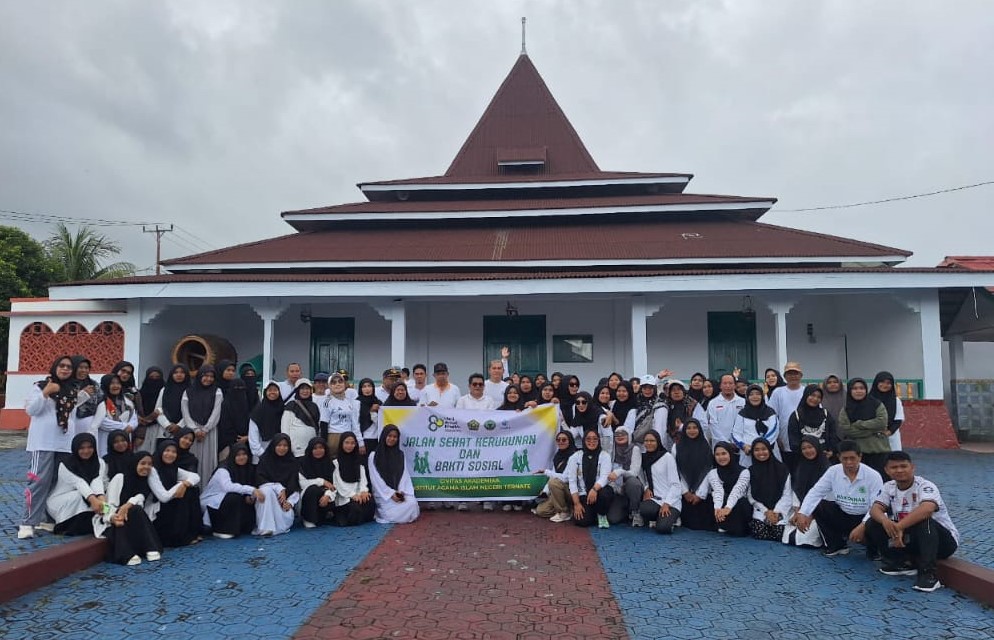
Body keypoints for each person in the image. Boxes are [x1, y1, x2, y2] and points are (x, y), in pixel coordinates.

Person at [866, 451, 960, 592]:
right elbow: (875, 509)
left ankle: (929, 576)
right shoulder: (889, 487)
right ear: (886, 470)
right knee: (874, 522)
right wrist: (885, 521)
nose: (899, 470)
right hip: (912, 538)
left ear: (912, 467)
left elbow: (927, 509)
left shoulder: (925, 486)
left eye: (903, 466)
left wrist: (898, 526)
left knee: (925, 520)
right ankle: (899, 563)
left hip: (942, 542)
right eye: (894, 467)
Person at [19, 356, 79, 539]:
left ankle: (47, 518)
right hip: (43, 443)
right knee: (39, 482)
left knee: (57, 483)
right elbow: (31, 410)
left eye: (69, 367)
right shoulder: (39, 385)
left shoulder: (72, 390)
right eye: (62, 366)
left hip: (64, 443)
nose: (65, 369)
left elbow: (72, 418)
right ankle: (27, 522)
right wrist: (46, 393)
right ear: (55, 367)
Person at [793, 440, 882, 557]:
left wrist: (863, 526)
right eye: (845, 458)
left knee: (877, 520)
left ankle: (874, 550)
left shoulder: (873, 476)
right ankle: (837, 545)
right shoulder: (833, 471)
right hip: (844, 514)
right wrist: (803, 513)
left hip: (865, 518)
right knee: (820, 505)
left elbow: (876, 505)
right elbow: (816, 492)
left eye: (852, 458)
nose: (849, 462)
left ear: (860, 457)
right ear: (839, 457)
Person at [98, 451, 163, 565]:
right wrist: (113, 517)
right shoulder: (120, 478)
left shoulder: (145, 482)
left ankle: (150, 547)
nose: (146, 467)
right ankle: (125, 554)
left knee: (136, 509)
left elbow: (140, 497)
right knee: (127, 513)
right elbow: (108, 504)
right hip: (112, 518)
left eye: (149, 464)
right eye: (143, 463)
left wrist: (127, 506)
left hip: (133, 520)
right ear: (135, 464)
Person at [46, 433, 107, 536]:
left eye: (90, 447)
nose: (86, 451)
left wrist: (102, 500)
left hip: (85, 497)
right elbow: (79, 483)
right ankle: (64, 526)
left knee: (103, 498)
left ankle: (99, 520)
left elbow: (97, 480)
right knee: (80, 496)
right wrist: (94, 500)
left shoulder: (99, 462)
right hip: (59, 501)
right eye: (82, 448)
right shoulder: (65, 464)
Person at [200, 442, 261, 539]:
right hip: (215, 502)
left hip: (234, 502)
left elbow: (248, 485)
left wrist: (249, 497)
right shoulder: (223, 469)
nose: (242, 457)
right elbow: (228, 487)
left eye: (244, 454)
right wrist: (252, 490)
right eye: (238, 455)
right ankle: (221, 529)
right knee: (234, 496)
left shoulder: (248, 468)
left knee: (248, 526)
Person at [148, 440, 202, 547]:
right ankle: (174, 537)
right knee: (184, 494)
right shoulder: (153, 470)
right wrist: (180, 485)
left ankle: (187, 533)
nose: (170, 454)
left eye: (174, 452)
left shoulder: (173, 468)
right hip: (156, 508)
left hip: (168, 505)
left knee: (192, 491)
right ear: (160, 451)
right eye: (167, 451)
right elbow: (163, 497)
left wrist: (185, 484)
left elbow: (196, 477)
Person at [839, 378, 890, 477]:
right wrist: (872, 431)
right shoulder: (846, 409)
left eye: (861, 388)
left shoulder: (877, 404)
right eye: (854, 388)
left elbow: (882, 422)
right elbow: (847, 430)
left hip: (879, 451)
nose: (858, 391)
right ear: (850, 391)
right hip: (857, 455)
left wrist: (859, 424)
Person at [368, 424, 419, 524]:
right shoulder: (374, 456)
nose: (392, 439)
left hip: (398, 492)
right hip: (384, 495)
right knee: (395, 513)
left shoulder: (400, 455)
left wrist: (401, 492)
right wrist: (391, 494)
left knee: (412, 504)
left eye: (395, 437)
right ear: (384, 436)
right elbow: (376, 480)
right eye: (389, 436)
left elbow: (404, 475)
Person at [181, 365, 223, 484]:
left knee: (208, 462)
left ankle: (206, 490)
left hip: (209, 432)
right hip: (192, 432)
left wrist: (205, 429)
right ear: (200, 376)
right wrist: (194, 429)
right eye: (205, 375)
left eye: (211, 376)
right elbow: (185, 412)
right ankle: (193, 489)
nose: (208, 379)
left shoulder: (217, 391)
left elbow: (216, 412)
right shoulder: (188, 392)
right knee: (193, 460)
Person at [673, 419, 715, 531]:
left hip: (703, 494)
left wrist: (700, 494)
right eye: (688, 428)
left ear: (700, 429)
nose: (692, 431)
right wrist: (685, 492)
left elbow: (708, 470)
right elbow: (676, 471)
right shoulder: (676, 447)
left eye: (695, 428)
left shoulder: (706, 447)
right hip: (684, 494)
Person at [254, 434, 301, 536]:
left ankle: (271, 527)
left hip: (283, 507)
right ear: (273, 446)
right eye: (279, 445)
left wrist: (290, 503)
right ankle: (266, 527)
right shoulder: (265, 461)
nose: (282, 448)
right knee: (267, 491)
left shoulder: (292, 463)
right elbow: (260, 482)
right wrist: (279, 488)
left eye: (285, 446)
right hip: (266, 503)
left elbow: (295, 486)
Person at [636, 429, 681, 533]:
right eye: (646, 441)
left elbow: (676, 484)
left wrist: (667, 503)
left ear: (658, 442)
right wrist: (647, 488)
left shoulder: (667, 457)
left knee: (663, 529)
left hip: (671, 501)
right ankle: (661, 518)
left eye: (652, 441)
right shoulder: (645, 458)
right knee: (644, 509)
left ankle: (672, 518)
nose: (649, 443)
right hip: (655, 499)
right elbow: (648, 479)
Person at [566, 431, 614, 528]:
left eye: (595, 439)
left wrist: (594, 489)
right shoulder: (575, 457)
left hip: (599, 491)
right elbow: (572, 481)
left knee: (604, 493)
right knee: (582, 521)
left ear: (599, 440)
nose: (591, 441)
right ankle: (592, 513)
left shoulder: (604, 455)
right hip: (583, 493)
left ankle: (601, 514)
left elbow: (605, 477)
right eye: (588, 439)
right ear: (584, 440)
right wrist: (577, 503)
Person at [746, 438, 791, 541]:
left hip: (780, 509)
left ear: (770, 450)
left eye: (764, 449)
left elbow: (787, 494)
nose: (761, 452)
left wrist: (776, 512)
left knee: (779, 532)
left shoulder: (782, 469)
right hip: (761, 509)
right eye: (756, 450)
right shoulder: (751, 471)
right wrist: (766, 511)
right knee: (760, 531)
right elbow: (750, 496)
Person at [705, 442, 752, 536]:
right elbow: (718, 491)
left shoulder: (744, 471)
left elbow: (737, 491)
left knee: (741, 502)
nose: (721, 457)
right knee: (712, 499)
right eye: (717, 454)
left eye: (724, 453)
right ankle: (721, 521)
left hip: (737, 505)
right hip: (723, 503)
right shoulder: (713, 473)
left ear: (730, 454)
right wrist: (718, 509)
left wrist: (727, 508)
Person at [330, 432, 375, 526]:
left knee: (370, 502)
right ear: (341, 444)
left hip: (358, 494)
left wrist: (363, 491)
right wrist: (352, 495)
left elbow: (363, 480)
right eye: (346, 443)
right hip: (344, 497)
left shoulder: (359, 461)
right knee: (355, 508)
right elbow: (338, 484)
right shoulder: (336, 463)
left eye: (352, 443)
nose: (349, 446)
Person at [768, 362, 805, 471]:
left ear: (801, 375)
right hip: (783, 440)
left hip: (805, 439)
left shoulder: (806, 391)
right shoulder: (778, 392)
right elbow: (771, 416)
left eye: (796, 373)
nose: (793, 376)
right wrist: (777, 437)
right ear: (784, 376)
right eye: (790, 374)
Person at [532, 431, 577, 522]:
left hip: (572, 491)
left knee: (554, 483)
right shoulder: (557, 456)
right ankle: (567, 509)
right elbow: (553, 473)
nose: (561, 442)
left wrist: (545, 471)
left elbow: (566, 478)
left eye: (564, 440)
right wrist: (545, 491)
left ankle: (564, 512)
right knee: (541, 511)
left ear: (570, 441)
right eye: (558, 440)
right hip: (560, 490)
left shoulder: (574, 456)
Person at [732, 385, 781, 466]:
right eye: (751, 394)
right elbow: (735, 433)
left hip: (768, 451)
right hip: (748, 454)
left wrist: (760, 447)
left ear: (762, 396)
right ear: (747, 397)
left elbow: (773, 431)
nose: (755, 397)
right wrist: (743, 446)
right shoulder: (742, 413)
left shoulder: (770, 412)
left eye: (758, 394)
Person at [787, 384, 840, 458]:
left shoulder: (825, 414)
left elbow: (833, 435)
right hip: (803, 459)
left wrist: (832, 451)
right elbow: (793, 439)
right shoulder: (796, 416)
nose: (815, 399)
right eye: (812, 395)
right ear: (806, 395)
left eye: (819, 397)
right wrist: (804, 453)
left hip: (824, 457)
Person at [91, 374, 137, 457]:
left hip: (124, 439)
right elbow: (101, 422)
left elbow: (134, 419)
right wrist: (124, 427)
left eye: (118, 383)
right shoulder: (100, 401)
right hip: (106, 438)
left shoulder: (128, 402)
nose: (116, 386)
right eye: (112, 383)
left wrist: (131, 427)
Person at [606, 426, 643, 526]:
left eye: (623, 434)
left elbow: (634, 472)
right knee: (613, 519)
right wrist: (616, 488)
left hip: (631, 487)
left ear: (629, 436)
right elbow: (607, 472)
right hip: (617, 490)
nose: (620, 436)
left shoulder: (635, 449)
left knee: (633, 483)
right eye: (617, 434)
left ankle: (635, 510)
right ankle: (626, 510)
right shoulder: (611, 451)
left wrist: (619, 472)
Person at [297, 437, 337, 527]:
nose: (318, 451)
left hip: (326, 497)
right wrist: (321, 481)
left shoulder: (330, 463)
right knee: (313, 489)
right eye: (315, 448)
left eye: (321, 448)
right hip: (307, 498)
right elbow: (301, 483)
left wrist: (327, 495)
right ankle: (308, 519)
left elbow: (334, 484)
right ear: (310, 450)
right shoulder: (302, 463)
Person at [322, 373, 361, 455]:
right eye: (334, 382)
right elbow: (323, 423)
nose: (337, 384)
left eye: (340, 381)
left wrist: (359, 441)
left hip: (348, 437)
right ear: (329, 386)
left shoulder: (349, 401)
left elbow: (354, 423)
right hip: (334, 436)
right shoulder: (328, 401)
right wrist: (324, 443)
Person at [659, 380, 705, 451]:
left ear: (683, 391)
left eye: (679, 389)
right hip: (670, 444)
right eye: (673, 390)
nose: (676, 392)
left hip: (692, 443)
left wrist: (682, 427)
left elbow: (703, 425)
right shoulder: (665, 406)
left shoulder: (693, 405)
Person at [281, 380, 321, 458]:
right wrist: (287, 445)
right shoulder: (291, 405)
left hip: (312, 447)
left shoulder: (314, 406)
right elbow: (284, 427)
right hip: (295, 448)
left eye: (307, 389)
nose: (305, 391)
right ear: (297, 390)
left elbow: (318, 425)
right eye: (302, 389)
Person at [153, 364, 190, 445]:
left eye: (182, 372)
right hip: (165, 430)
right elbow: (158, 409)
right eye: (176, 372)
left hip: (184, 431)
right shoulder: (165, 390)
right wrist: (167, 425)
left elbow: (192, 411)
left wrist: (179, 425)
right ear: (171, 375)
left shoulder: (191, 391)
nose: (179, 375)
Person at [705, 374, 745, 445]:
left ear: (735, 385)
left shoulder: (743, 402)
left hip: (740, 444)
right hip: (719, 445)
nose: (728, 386)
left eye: (730, 383)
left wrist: (738, 442)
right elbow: (713, 425)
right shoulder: (713, 403)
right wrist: (725, 442)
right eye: (725, 383)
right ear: (720, 386)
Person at [249, 382, 284, 462]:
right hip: (261, 457)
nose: (272, 392)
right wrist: (262, 454)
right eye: (270, 390)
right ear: (265, 392)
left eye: (275, 390)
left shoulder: (283, 409)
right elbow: (253, 435)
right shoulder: (258, 411)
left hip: (281, 455)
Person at [870, 371, 904, 452]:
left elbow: (898, 420)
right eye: (882, 382)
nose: (885, 385)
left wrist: (888, 432)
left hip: (890, 437)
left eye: (888, 383)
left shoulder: (896, 401)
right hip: (870, 437)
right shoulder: (868, 400)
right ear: (876, 382)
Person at [217, 378, 251, 459]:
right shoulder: (225, 405)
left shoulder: (248, 404)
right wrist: (237, 439)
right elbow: (224, 425)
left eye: (242, 389)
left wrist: (247, 437)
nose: (239, 391)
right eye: (236, 388)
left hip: (247, 444)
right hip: (227, 444)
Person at [135, 367, 164, 449]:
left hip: (160, 427)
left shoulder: (166, 394)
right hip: (142, 429)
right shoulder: (139, 395)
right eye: (151, 378)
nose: (154, 380)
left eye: (157, 378)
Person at [355, 378, 382, 452]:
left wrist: (373, 413)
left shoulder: (378, 403)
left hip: (377, 440)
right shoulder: (356, 403)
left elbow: (381, 423)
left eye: (369, 386)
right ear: (360, 389)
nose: (367, 389)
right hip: (362, 440)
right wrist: (360, 443)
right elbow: (355, 424)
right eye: (364, 386)